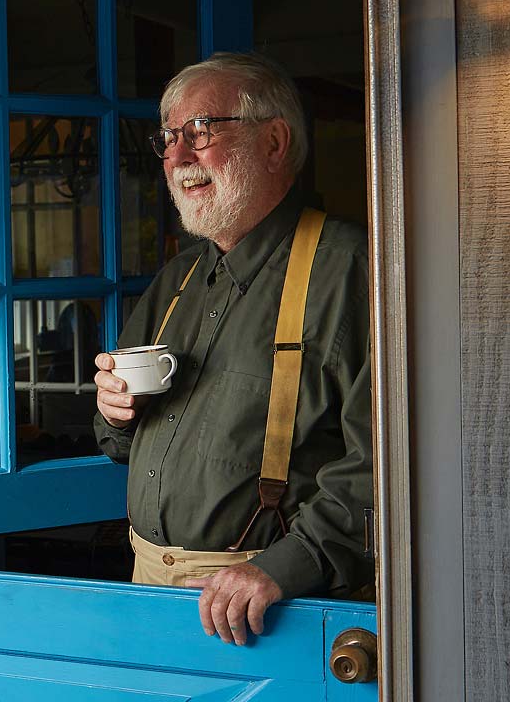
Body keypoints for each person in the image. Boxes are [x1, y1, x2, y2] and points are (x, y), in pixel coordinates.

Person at [93, 52, 373, 646]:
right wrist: (116, 411)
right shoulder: (176, 281)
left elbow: (392, 460)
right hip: (146, 590)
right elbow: (118, 439)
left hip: (276, 613)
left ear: (274, 142)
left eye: (200, 132)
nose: (176, 159)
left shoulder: (353, 269)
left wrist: (285, 566)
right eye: (167, 139)